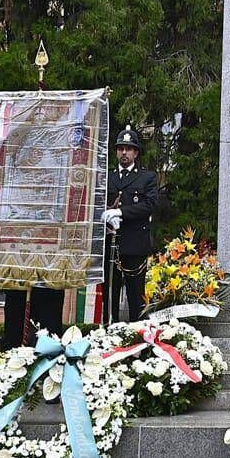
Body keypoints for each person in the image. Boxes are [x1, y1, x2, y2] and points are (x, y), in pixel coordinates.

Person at [102, 127, 158, 323]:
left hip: (134, 244)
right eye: (120, 149)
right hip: (111, 244)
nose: (124, 152)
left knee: (136, 296)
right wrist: (106, 215)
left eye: (128, 149)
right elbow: (97, 202)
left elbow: (149, 205)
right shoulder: (107, 177)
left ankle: (138, 334)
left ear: (136, 153)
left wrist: (121, 212)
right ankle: (109, 331)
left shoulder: (147, 177)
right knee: (110, 294)